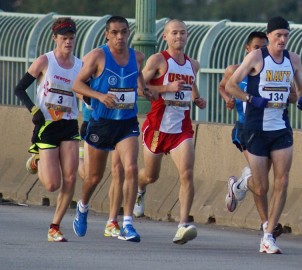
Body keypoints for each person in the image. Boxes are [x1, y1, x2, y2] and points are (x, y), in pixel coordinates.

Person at [225, 16, 302, 254]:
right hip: (256, 128)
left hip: (281, 126)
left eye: (286, 35)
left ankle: (268, 235)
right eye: (278, 35)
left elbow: (300, 87)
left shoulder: (293, 59)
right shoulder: (256, 57)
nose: (282, 40)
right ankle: (240, 184)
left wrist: (301, 99)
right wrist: (251, 99)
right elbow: (231, 85)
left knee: (282, 181)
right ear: (269, 36)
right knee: (261, 188)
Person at [71, 15, 154, 243]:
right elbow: (76, 84)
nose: (120, 37)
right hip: (102, 122)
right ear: (107, 34)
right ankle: (83, 205)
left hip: (126, 122)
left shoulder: (137, 57)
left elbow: (136, 77)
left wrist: (144, 90)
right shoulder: (98, 56)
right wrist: (99, 96)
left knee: (131, 168)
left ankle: (127, 223)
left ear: (129, 33)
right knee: (94, 177)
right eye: (115, 32)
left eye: (124, 32)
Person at [134, 19, 206, 244]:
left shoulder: (193, 64)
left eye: (183, 33)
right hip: (157, 126)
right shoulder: (158, 60)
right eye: (174, 33)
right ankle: (139, 188)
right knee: (150, 176)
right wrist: (165, 88)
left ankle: (183, 224)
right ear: (165, 36)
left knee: (187, 174)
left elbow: (191, 84)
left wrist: (197, 98)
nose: (179, 37)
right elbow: (138, 88)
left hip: (182, 128)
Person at [13, 17, 82, 242]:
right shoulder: (45, 61)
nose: (68, 42)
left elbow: (84, 93)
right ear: (55, 38)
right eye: (64, 38)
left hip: (70, 124)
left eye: (71, 38)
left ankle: (55, 226)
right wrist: (34, 109)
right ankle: (37, 160)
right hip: (47, 126)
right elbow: (20, 88)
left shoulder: (80, 66)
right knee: (53, 184)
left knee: (71, 177)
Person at [218, 31, 289, 237]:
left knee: (262, 181)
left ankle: (239, 184)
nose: (261, 51)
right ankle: (265, 223)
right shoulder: (234, 70)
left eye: (263, 47)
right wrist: (227, 99)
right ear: (247, 49)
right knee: (261, 182)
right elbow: (223, 86)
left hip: (267, 128)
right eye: (257, 47)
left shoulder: (268, 69)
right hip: (244, 128)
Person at [77, 103, 125, 238]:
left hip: (120, 121)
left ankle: (112, 221)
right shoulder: (92, 80)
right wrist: (92, 99)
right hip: (94, 121)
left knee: (118, 170)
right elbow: (78, 87)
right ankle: (75, 160)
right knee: (91, 176)